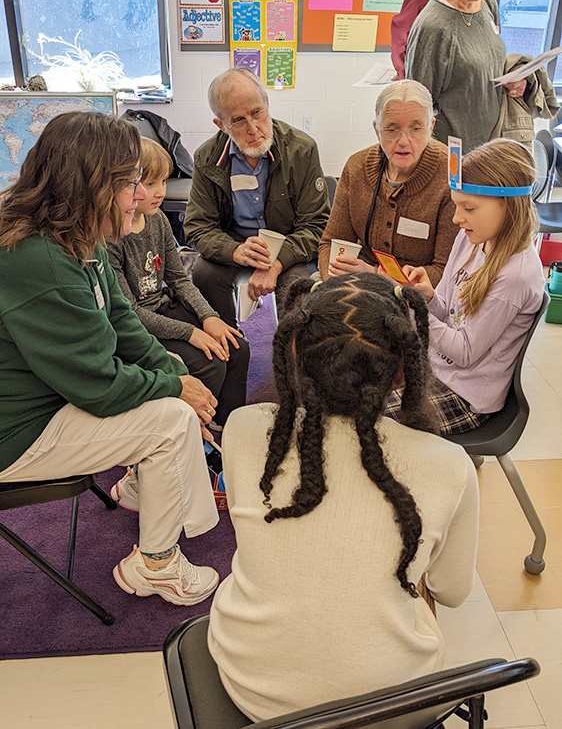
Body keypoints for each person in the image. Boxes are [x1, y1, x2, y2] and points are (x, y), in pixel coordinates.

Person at [207, 273, 478, 721]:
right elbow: (452, 591)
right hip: (392, 703)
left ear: (293, 350)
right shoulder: (450, 465)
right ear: (403, 369)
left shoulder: (242, 430)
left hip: (251, 686)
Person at [0, 111, 220, 606]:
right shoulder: (39, 260)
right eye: (131, 182)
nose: (141, 195)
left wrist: (178, 375)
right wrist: (175, 391)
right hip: (16, 432)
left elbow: (123, 321)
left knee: (175, 396)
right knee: (169, 421)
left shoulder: (75, 235)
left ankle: (144, 488)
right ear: (91, 185)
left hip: (48, 400)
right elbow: (97, 383)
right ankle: (156, 565)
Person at [388, 138, 545, 435]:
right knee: (353, 391)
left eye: (469, 208)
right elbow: (448, 310)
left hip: (463, 397)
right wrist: (428, 297)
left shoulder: (516, 275)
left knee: (369, 421)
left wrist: (412, 312)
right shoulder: (471, 239)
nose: (456, 218)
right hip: (435, 370)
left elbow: (464, 351)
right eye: (457, 205)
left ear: (508, 205)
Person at [107, 137, 250, 429]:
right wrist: (190, 333)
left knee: (237, 347)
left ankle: (226, 428)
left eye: (164, 181)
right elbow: (130, 314)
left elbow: (179, 280)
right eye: (150, 182)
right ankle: (196, 432)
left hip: (163, 308)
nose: (160, 192)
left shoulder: (158, 219)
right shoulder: (111, 236)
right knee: (209, 362)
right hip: (138, 326)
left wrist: (208, 317)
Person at [183, 66, 330, 328]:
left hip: (288, 245)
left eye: (257, 113)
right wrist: (235, 251)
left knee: (297, 283)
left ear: (267, 104)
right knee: (204, 273)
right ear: (221, 125)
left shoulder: (302, 149)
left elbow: (316, 225)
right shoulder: (207, 158)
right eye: (238, 120)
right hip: (236, 242)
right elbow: (198, 227)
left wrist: (275, 263)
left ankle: (291, 352)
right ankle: (227, 343)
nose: (253, 128)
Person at [318, 79, 457, 286]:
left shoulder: (450, 177)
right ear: (377, 129)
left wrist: (375, 275)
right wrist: (334, 284)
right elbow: (331, 243)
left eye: (416, 129)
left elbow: (445, 271)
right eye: (392, 129)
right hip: (358, 282)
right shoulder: (356, 168)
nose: (403, 140)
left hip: (420, 295)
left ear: (431, 127)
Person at [405, 0, 524, 153]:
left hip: (492, 143)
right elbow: (417, 107)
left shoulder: (488, 2)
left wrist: (513, 78)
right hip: (454, 155)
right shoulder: (432, 26)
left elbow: (488, 61)